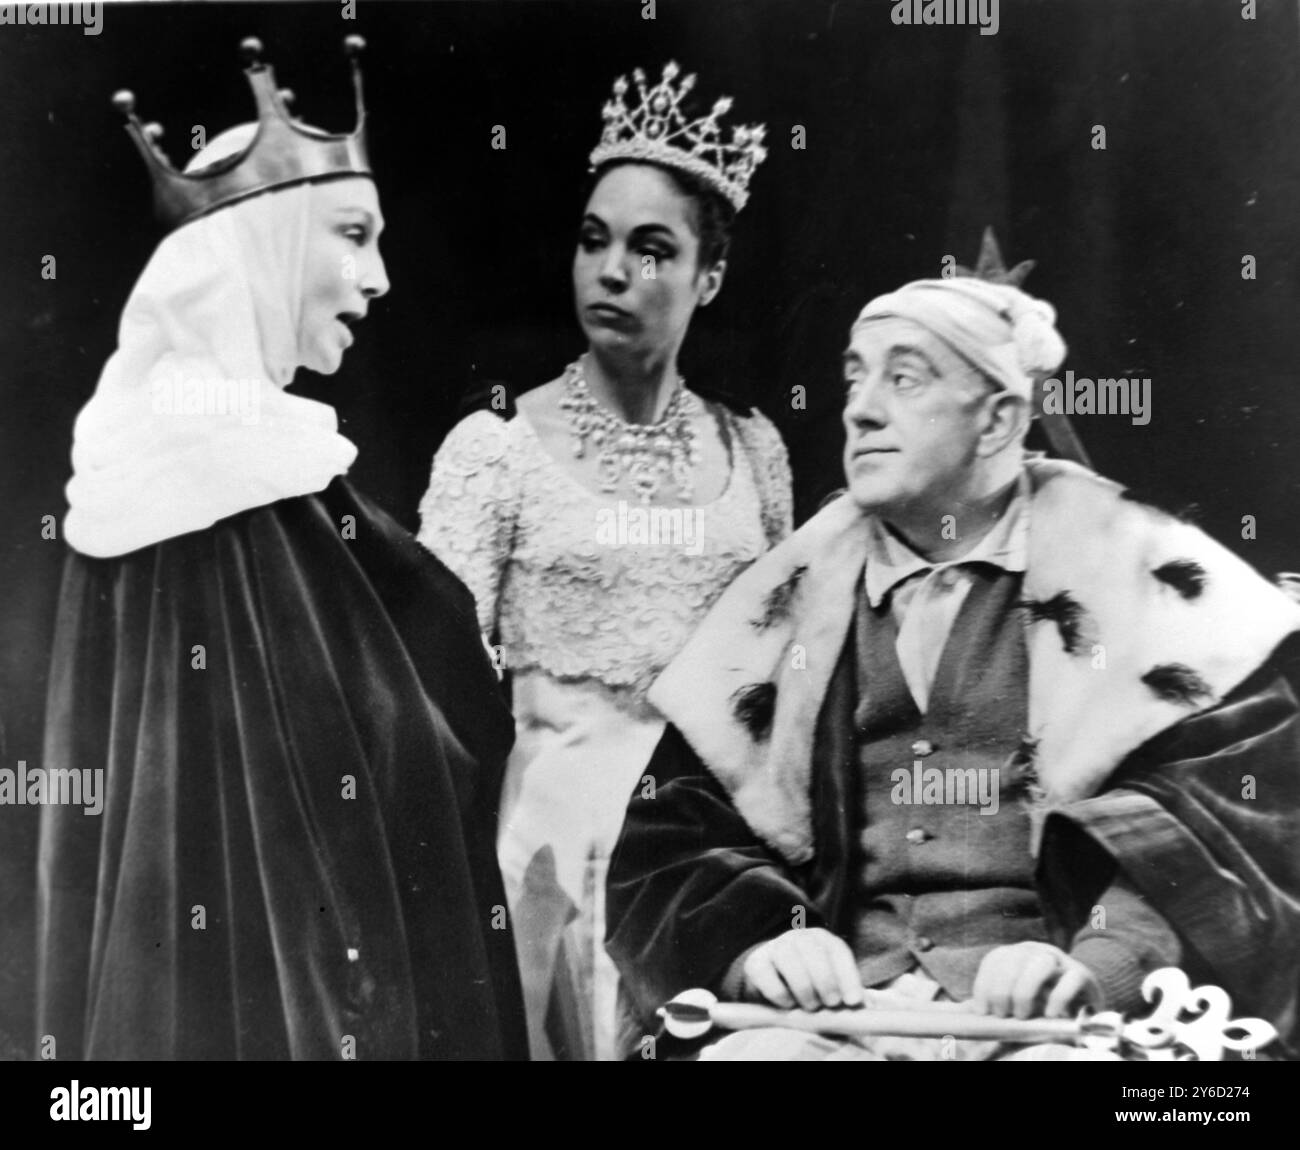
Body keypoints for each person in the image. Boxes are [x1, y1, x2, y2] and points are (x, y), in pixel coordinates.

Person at [606, 237, 1300, 1060]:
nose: (860, 409)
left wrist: (1103, 962)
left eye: (903, 379)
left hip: (1060, 1025)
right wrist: (762, 944)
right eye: (854, 377)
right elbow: (669, 842)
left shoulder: (1140, 582)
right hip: (842, 1020)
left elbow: (1236, 826)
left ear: (1001, 417)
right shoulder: (786, 603)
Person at [36, 37, 526, 1060]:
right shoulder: (220, 491)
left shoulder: (202, 472)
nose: (379, 277)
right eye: (351, 233)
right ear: (253, 246)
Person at [418, 62, 792, 1060]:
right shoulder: (493, 450)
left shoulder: (754, 451)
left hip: (711, 865)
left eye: (651, 248)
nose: (612, 270)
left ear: (709, 277)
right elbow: (426, 700)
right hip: (549, 861)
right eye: (594, 241)